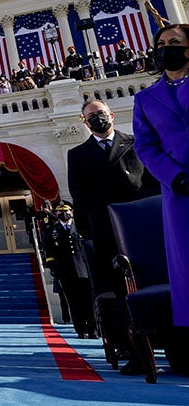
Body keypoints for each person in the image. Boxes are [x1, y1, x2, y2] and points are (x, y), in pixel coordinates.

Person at [67, 100, 159, 292]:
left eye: (100, 112)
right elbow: (78, 192)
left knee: (151, 277)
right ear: (85, 123)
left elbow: (152, 181)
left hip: (140, 221)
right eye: (90, 116)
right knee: (115, 283)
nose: (97, 118)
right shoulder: (77, 154)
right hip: (106, 227)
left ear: (112, 115)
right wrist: (108, 211)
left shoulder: (136, 143)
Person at [132, 23, 189, 330]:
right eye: (162, 43)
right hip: (181, 193)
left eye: (175, 42)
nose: (167, 48)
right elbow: (146, 147)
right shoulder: (146, 99)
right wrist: (176, 177)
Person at [43, 202, 97, 339]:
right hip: (65, 271)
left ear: (71, 212)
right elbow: (48, 250)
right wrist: (53, 267)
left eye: (66, 211)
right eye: (60, 212)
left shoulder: (80, 227)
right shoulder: (52, 230)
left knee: (88, 300)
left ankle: (92, 329)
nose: (63, 214)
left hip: (83, 269)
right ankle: (80, 329)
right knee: (74, 302)